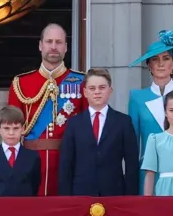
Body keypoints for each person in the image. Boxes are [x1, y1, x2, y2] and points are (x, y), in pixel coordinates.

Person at [7, 23, 87, 196]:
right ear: (40, 45)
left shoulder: (82, 82)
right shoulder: (21, 83)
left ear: (66, 47)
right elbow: (10, 130)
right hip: (30, 162)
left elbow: (87, 129)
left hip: (68, 161)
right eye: (49, 41)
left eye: (59, 42)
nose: (53, 46)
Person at [127, 29, 173, 193]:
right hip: (149, 174)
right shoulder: (137, 97)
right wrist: (131, 184)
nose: (160, 64)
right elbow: (133, 146)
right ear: (149, 65)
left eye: (166, 58)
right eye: (155, 59)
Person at [58, 68, 140, 197]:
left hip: (114, 193)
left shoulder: (123, 122)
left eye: (102, 87)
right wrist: (66, 198)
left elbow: (132, 163)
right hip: (81, 193)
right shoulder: (74, 123)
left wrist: (130, 197)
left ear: (110, 90)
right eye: (92, 88)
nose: (97, 92)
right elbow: (66, 163)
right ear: (85, 92)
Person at [0, 105, 41, 197]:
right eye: (6, 128)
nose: (11, 133)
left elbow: (35, 185)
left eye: (16, 128)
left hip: (25, 205)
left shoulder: (33, 157)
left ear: (22, 129)